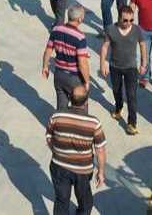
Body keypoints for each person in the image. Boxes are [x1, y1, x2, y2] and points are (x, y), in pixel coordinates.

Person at [45, 84, 106, 215]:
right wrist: (101, 172)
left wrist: (57, 151)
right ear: (86, 101)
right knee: (85, 202)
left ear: (70, 98)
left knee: (61, 201)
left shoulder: (56, 116)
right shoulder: (94, 123)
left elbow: (49, 137)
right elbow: (100, 150)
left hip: (59, 166)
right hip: (82, 171)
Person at [99, 5, 146, 134]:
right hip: (115, 67)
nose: (128, 23)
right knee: (116, 91)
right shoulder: (111, 29)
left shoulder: (136, 30)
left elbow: (142, 45)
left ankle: (132, 123)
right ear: (119, 18)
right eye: (125, 20)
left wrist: (143, 64)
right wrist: (102, 64)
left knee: (131, 96)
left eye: (131, 20)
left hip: (131, 68)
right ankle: (118, 108)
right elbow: (105, 47)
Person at [42, 5, 92, 112]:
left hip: (59, 75)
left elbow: (48, 50)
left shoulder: (56, 29)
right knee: (81, 107)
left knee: (61, 107)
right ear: (79, 19)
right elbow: (82, 63)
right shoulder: (80, 36)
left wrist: (45, 66)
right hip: (74, 77)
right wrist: (87, 81)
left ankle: (60, 122)